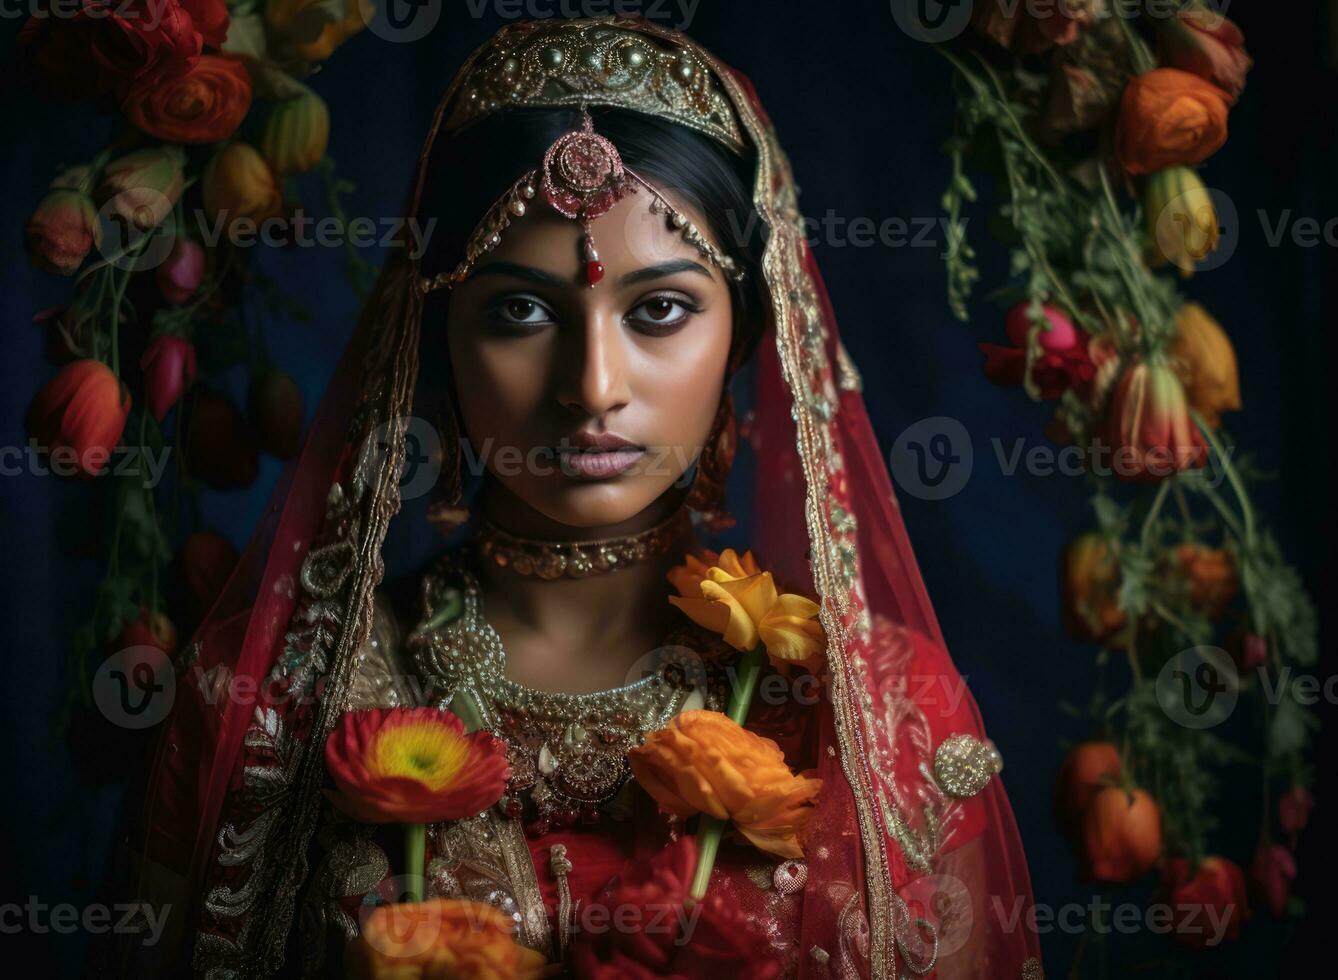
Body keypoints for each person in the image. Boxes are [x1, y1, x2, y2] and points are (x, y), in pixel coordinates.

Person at [106, 17, 1042, 979]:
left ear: (752, 338)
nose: (592, 385)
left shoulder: (886, 716)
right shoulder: (267, 706)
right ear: (436, 336)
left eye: (660, 310)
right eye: (520, 310)